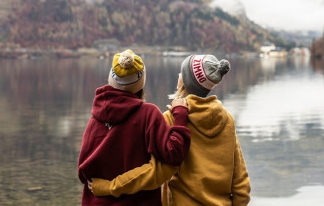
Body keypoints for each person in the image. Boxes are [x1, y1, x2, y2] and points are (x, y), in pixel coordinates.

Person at [90, 54, 251, 206]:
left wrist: (110, 187)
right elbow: (241, 186)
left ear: (187, 82)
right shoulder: (226, 119)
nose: (178, 75)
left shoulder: (172, 118)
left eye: (182, 73)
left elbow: (154, 173)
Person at [77, 49, 191, 206]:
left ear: (112, 79)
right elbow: (174, 154)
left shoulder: (95, 119)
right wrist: (180, 115)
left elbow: (83, 173)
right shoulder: (148, 114)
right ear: (140, 84)